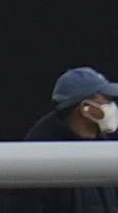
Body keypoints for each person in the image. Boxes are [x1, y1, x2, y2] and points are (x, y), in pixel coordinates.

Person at [20, 65, 118, 213]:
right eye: (105, 99)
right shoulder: (39, 157)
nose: (112, 106)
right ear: (86, 108)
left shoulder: (104, 148)